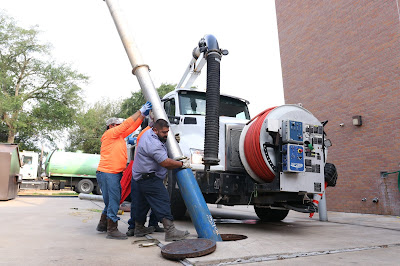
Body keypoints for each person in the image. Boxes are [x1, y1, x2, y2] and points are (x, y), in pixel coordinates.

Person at [96, 102, 152, 240]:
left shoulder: (118, 136)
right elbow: (127, 124)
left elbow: (131, 127)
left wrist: (142, 116)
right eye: (117, 125)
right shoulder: (110, 134)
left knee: (111, 202)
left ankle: (103, 225)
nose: (120, 126)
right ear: (111, 126)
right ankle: (112, 229)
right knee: (114, 201)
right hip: (109, 173)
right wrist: (139, 111)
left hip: (110, 173)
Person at [130, 118, 191, 241]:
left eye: (168, 132)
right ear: (156, 130)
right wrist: (182, 164)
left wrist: (172, 140)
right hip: (149, 177)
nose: (166, 135)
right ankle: (170, 231)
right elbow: (165, 162)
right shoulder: (153, 143)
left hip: (139, 176)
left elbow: (154, 121)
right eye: (164, 132)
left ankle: (138, 228)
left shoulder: (149, 132)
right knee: (163, 201)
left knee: (141, 204)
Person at [126, 124, 164, 237]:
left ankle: (146, 225)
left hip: (151, 173)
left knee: (147, 202)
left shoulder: (152, 133)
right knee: (140, 202)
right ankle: (134, 226)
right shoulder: (146, 134)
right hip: (144, 174)